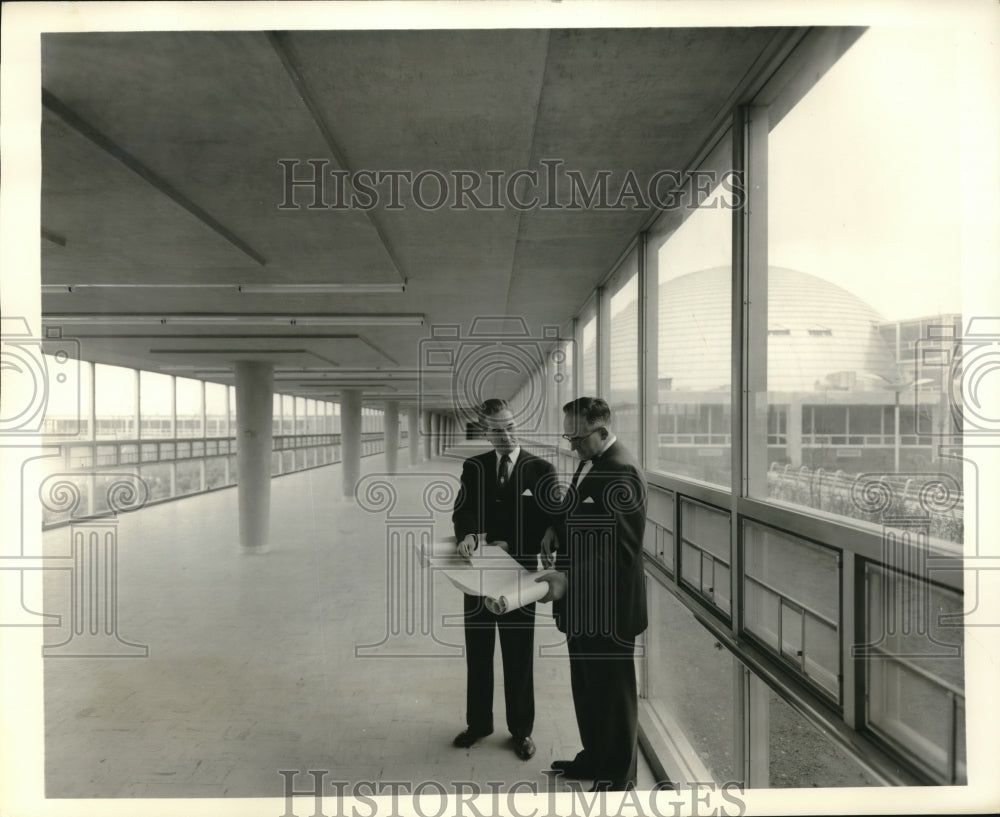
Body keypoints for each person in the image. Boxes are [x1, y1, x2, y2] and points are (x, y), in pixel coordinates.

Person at [536, 397, 648, 791]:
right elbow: (576, 507)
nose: (571, 446)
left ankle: (619, 774)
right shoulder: (593, 461)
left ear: (601, 431)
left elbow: (619, 552)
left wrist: (567, 581)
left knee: (613, 692)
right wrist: (554, 526)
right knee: (587, 686)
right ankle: (595, 757)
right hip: (584, 606)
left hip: (609, 609)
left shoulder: (621, 471)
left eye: (577, 437)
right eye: (568, 436)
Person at [451, 398, 557, 760]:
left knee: (517, 656)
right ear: (485, 432)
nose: (507, 435)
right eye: (498, 430)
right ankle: (479, 723)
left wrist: (518, 542)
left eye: (510, 427)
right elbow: (463, 510)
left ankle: (521, 731)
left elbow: (550, 521)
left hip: (518, 578)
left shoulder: (541, 469)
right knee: (478, 654)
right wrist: (466, 535)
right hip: (479, 575)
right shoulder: (474, 466)